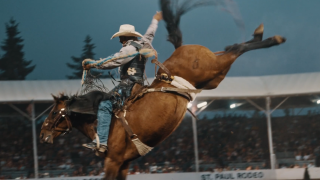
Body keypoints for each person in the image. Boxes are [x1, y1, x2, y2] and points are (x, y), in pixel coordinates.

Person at [82, 11, 163, 152]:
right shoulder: (143, 43)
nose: (120, 40)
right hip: (140, 84)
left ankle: (101, 142)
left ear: (125, 37)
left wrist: (94, 64)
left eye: (121, 37)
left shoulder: (128, 49)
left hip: (128, 85)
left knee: (104, 104)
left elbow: (114, 61)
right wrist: (155, 20)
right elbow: (150, 33)